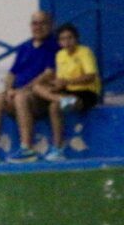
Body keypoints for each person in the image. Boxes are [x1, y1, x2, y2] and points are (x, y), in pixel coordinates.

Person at [0, 10, 60, 163]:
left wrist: (21, 90)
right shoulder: (24, 47)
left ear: (51, 25)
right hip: (16, 94)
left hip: (38, 97)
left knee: (21, 97)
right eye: (35, 23)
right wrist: (9, 90)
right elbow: (12, 74)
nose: (38, 27)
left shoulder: (54, 47)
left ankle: (27, 149)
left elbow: (48, 75)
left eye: (42, 23)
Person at [31, 23, 101, 161]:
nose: (67, 42)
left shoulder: (84, 52)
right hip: (66, 93)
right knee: (37, 87)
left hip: (85, 93)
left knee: (55, 107)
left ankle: (58, 149)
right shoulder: (60, 55)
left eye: (70, 38)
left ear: (76, 39)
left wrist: (67, 82)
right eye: (63, 39)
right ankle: (59, 99)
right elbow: (61, 79)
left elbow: (90, 76)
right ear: (59, 42)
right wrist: (54, 86)